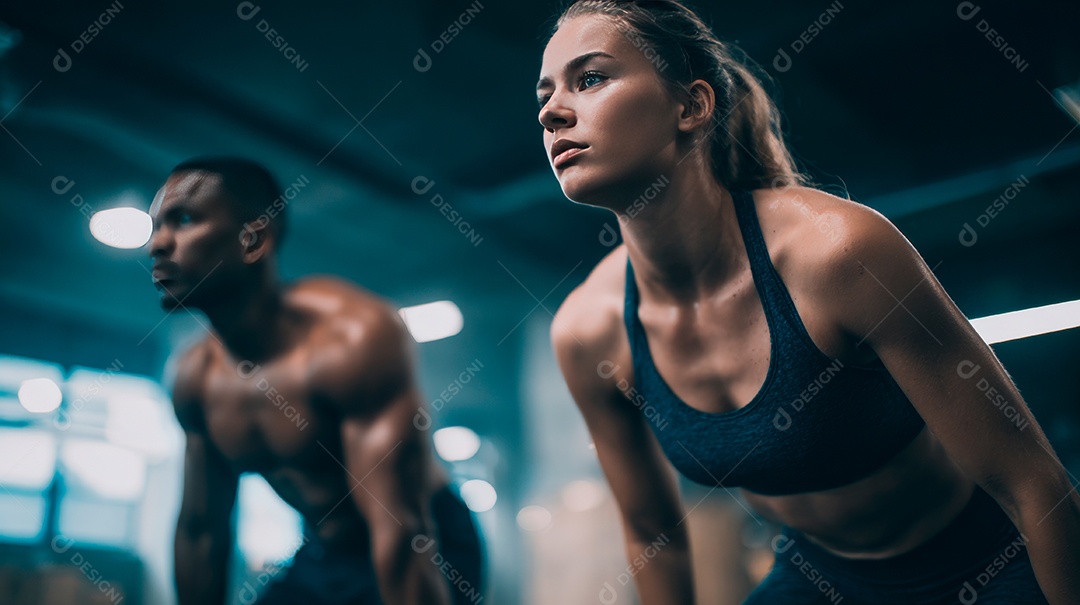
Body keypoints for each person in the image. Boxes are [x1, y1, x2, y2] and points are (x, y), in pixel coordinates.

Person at [540, 1, 1080, 603]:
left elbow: (1034, 483)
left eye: (590, 78)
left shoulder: (837, 253)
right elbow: (651, 533)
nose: (551, 111)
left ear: (690, 106)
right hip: (820, 579)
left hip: (989, 557)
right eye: (544, 93)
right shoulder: (588, 333)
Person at [147, 157, 483, 605]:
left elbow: (401, 532)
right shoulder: (195, 379)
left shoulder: (351, 340)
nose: (157, 245)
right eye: (155, 227)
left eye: (183, 220)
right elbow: (201, 531)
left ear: (253, 240)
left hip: (428, 543)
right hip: (322, 550)